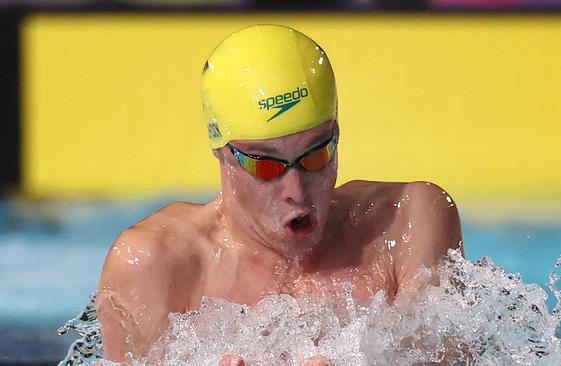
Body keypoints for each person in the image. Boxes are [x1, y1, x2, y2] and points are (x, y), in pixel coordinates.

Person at [96, 24, 463, 364]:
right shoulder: (154, 265)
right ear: (222, 151)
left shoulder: (407, 224)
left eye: (317, 155)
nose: (296, 189)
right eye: (266, 165)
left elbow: (450, 356)